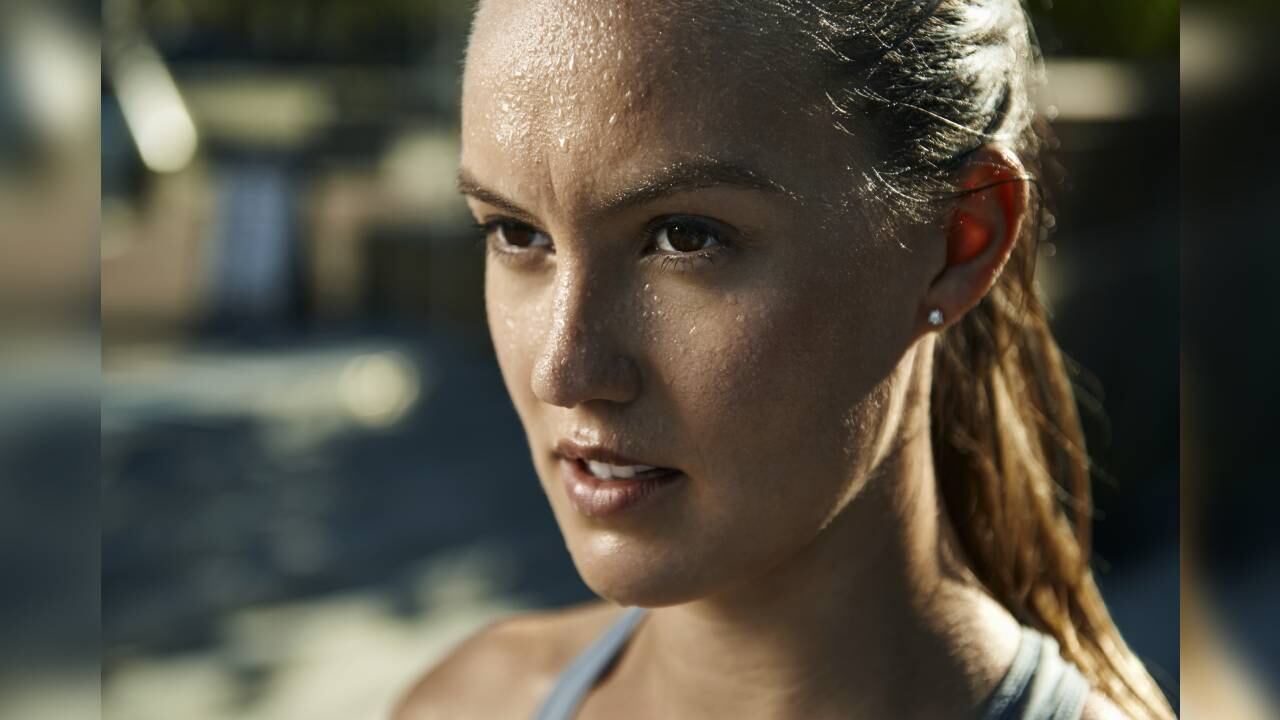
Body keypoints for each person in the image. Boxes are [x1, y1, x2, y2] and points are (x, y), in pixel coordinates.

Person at [396, 0, 1176, 718]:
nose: (563, 372)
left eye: (686, 237)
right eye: (515, 233)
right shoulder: (467, 704)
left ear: (959, 241)